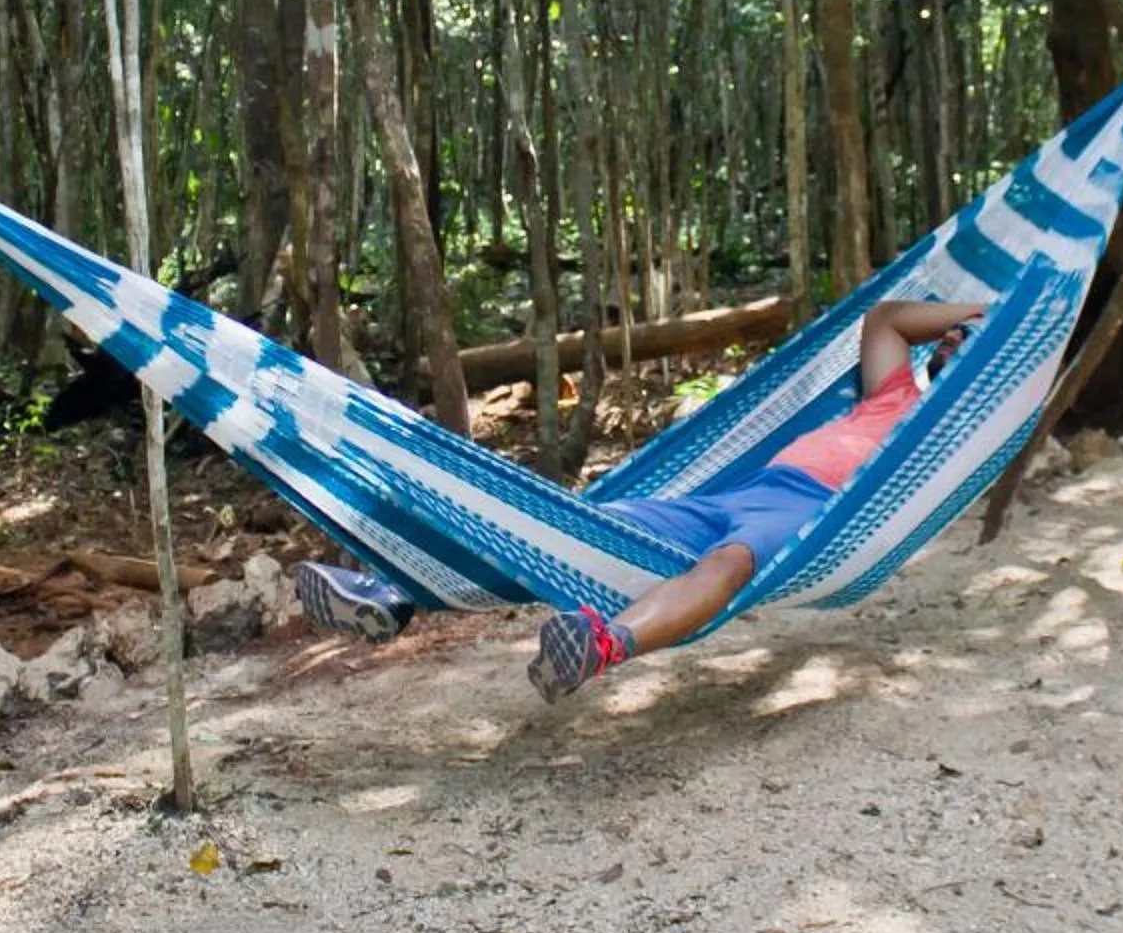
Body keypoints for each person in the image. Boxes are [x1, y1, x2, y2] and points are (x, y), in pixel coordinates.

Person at [290, 297, 989, 699]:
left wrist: (991, 343)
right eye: (954, 341)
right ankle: (393, 593)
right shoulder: (899, 393)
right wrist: (971, 313)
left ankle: (604, 643)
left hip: (812, 516)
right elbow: (885, 322)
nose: (957, 345)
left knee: (730, 566)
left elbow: (991, 400)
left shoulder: (945, 435)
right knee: (571, 527)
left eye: (973, 347)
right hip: (740, 493)